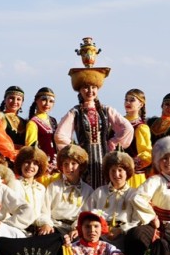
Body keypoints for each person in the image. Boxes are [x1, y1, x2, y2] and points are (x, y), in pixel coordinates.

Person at [55, 58, 133, 189]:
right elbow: (60, 135)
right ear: (80, 90)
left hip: (104, 157)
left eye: (93, 87)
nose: (90, 91)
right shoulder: (75, 112)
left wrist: (112, 143)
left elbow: (127, 128)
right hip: (84, 161)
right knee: (85, 190)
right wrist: (75, 151)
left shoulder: (106, 110)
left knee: (105, 189)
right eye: (86, 87)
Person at [81, 151, 141, 253]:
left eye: (120, 170)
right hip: (101, 235)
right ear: (108, 173)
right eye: (113, 170)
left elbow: (137, 220)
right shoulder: (99, 192)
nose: (116, 174)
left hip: (124, 235)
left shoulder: (134, 194)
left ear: (127, 172)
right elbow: (86, 213)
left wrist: (121, 229)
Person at [44, 144, 93, 237]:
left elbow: (87, 213)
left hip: (76, 229)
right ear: (61, 166)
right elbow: (45, 208)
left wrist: (77, 228)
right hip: (55, 226)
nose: (69, 167)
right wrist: (47, 224)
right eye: (65, 164)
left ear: (81, 166)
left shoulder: (88, 190)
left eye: (73, 163)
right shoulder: (54, 186)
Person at [13, 145, 51, 235]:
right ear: (20, 164)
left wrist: (46, 224)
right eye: (27, 162)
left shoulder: (41, 188)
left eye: (35, 163)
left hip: (36, 232)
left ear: (39, 167)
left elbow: (44, 212)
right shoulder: (14, 184)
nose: (31, 166)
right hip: (17, 230)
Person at [25, 87, 59, 178]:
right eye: (44, 100)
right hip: (43, 167)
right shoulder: (33, 123)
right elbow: (31, 148)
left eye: (51, 101)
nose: (47, 104)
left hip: (56, 166)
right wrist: (42, 164)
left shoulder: (53, 121)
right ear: (36, 100)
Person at [122, 88, 152, 188]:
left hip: (133, 177)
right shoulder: (118, 123)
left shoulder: (141, 127)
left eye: (132, 100)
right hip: (115, 174)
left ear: (141, 104)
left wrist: (129, 164)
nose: (128, 102)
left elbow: (147, 153)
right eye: (126, 100)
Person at [0, 86, 27, 165]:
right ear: (5, 99)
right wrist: (16, 156)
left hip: (23, 162)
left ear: (22, 102)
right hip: (4, 161)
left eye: (18, 99)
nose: (15, 101)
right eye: (11, 98)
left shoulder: (25, 122)